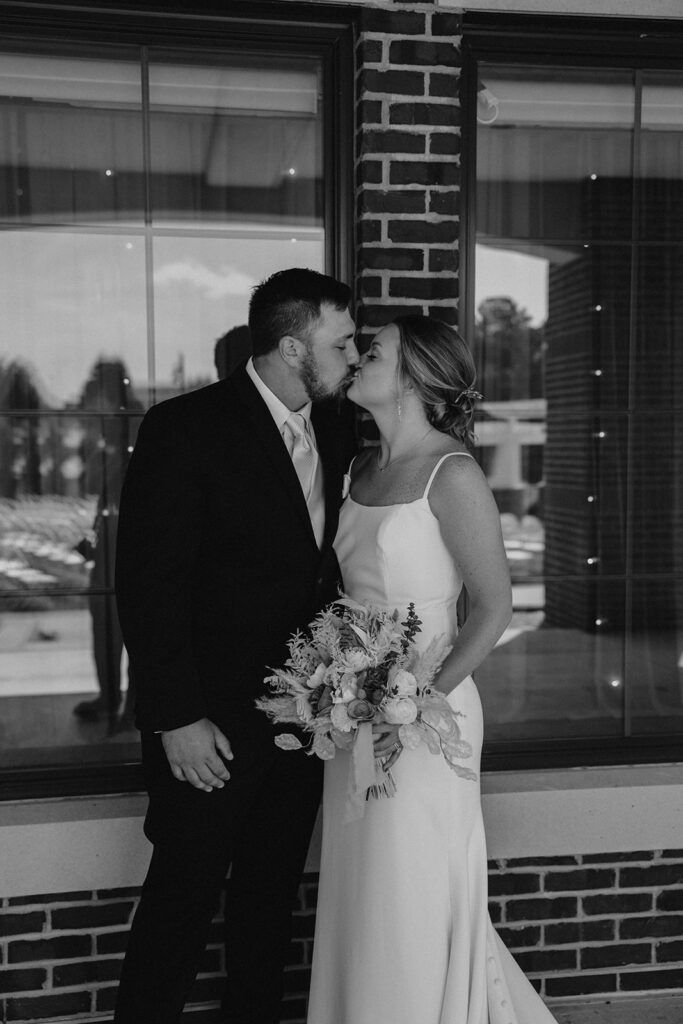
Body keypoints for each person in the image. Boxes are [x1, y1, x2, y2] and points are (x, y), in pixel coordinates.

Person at [113, 268, 358, 1024]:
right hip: (207, 728)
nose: (355, 356)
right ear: (292, 345)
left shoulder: (339, 426)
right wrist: (176, 716)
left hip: (299, 720)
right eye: (341, 342)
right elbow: (148, 585)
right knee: (180, 902)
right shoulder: (185, 428)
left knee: (269, 901)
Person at [307, 315, 558, 1024]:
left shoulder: (453, 473)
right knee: (361, 881)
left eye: (371, 352)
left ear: (414, 376)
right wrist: (335, 687)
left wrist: (415, 706)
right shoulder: (359, 467)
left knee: (408, 880)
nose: (355, 360)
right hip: (351, 708)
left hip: (428, 716)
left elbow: (494, 608)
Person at [73, 359, 142, 731]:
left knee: (133, 625)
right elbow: (97, 489)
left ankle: (132, 703)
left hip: (134, 543)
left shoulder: (135, 426)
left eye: (96, 385)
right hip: (109, 541)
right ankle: (110, 697)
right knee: (103, 623)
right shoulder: (107, 429)